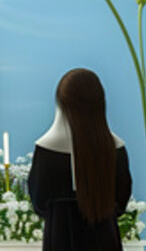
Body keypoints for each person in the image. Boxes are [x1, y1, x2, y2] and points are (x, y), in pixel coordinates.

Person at [28, 68, 134, 250]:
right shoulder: (116, 148)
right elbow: (121, 201)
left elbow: (39, 202)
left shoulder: (46, 148)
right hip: (105, 239)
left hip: (60, 238)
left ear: (61, 103)